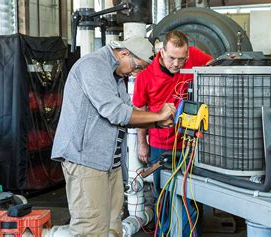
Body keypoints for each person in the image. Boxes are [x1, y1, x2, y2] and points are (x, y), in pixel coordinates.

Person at [51, 36, 176, 236]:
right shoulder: (93, 66)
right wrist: (158, 115)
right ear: (124, 53)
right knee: (90, 228)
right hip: (86, 162)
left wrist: (157, 122)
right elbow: (115, 112)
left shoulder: (115, 76)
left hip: (109, 163)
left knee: (112, 225)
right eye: (137, 67)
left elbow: (128, 110)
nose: (137, 73)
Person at [133, 31, 213, 236]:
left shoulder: (193, 55)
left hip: (192, 144)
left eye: (182, 59)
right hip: (161, 146)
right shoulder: (146, 75)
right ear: (162, 52)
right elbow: (140, 112)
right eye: (172, 58)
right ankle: (166, 233)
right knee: (165, 197)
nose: (177, 64)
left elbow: (213, 65)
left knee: (191, 197)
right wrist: (142, 143)